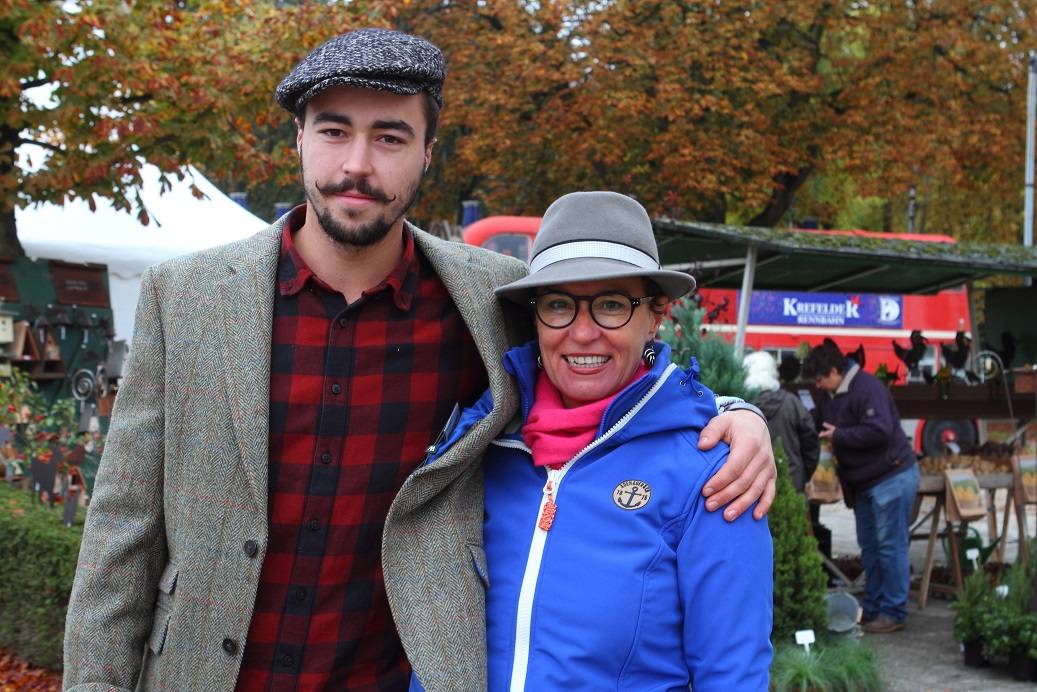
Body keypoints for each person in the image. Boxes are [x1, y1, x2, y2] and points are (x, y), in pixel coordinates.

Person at [62, 29, 776, 691]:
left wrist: (735, 417)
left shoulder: (489, 301)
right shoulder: (183, 297)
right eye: (334, 131)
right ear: (299, 138)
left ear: (428, 151)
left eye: (390, 136)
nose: (357, 165)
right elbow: (122, 533)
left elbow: (601, 368)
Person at [421, 192, 773, 690]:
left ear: (656, 315)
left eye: (611, 305)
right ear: (535, 317)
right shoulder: (478, 446)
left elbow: (732, 676)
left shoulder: (713, 472)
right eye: (560, 305)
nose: (582, 333)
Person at [801, 341, 920, 634]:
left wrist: (840, 435)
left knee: (890, 547)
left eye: (820, 379)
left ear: (834, 370)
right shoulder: (833, 392)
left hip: (891, 476)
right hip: (865, 482)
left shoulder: (868, 388)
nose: (818, 386)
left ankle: (894, 611)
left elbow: (879, 430)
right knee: (871, 547)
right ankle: (875, 606)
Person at [744, 351, 819, 492]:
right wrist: (804, 472)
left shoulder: (741, 406)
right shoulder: (792, 403)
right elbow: (811, 442)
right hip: (792, 481)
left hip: (753, 484)